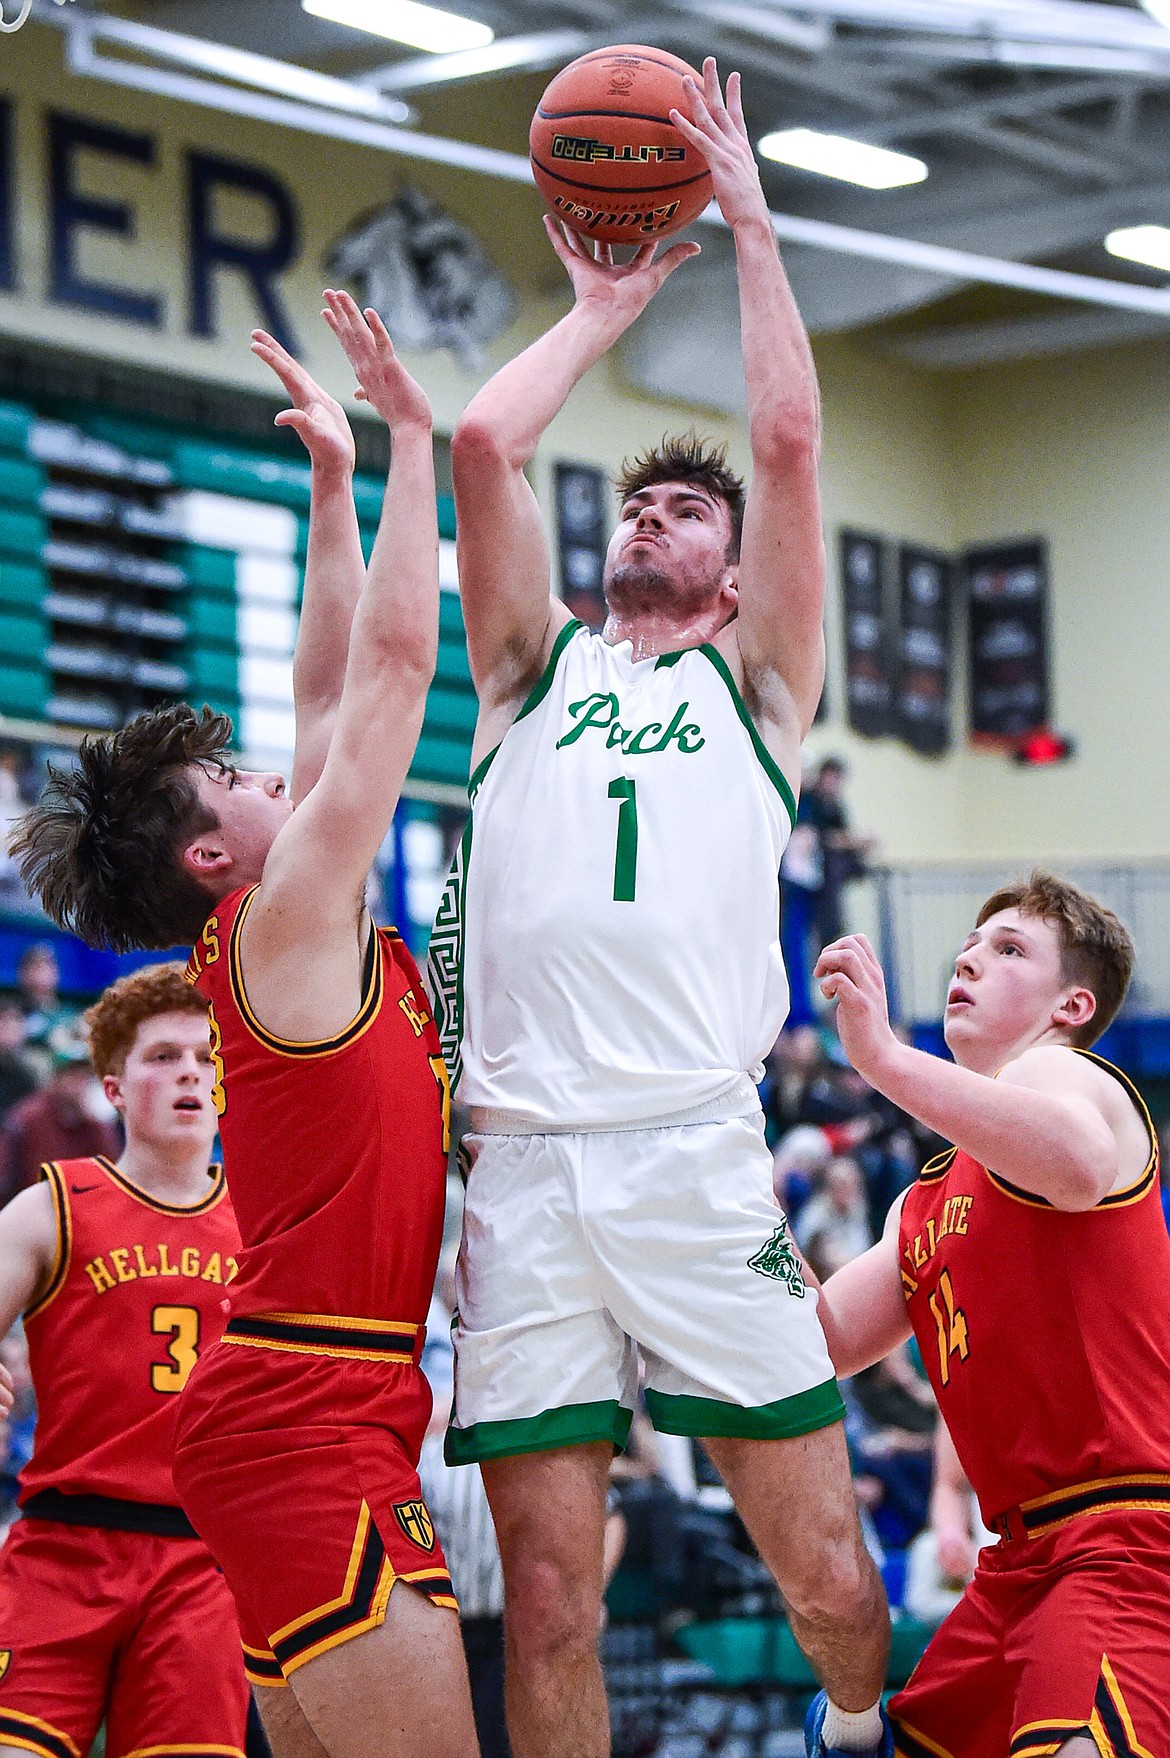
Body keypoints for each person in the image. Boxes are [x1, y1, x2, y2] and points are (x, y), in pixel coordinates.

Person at [431, 57, 890, 1758]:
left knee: (829, 1570)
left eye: (686, 508)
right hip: (528, 1161)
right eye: (636, 497)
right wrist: (601, 305)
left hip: (697, 1151)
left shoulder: (762, 691)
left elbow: (784, 433)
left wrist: (750, 220)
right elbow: (484, 438)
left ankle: (856, 1734)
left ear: (733, 556)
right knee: (548, 1599)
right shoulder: (527, 668)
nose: (651, 511)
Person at [11, 297, 478, 1758]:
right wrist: (418, 438)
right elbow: (395, 679)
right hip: (303, 1410)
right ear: (211, 855)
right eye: (236, 780)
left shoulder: (289, 917)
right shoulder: (283, 921)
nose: (274, 773)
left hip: (330, 1404)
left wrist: (335, 485)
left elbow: (330, 682)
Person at [809, 871, 1170, 1757]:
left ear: (1073, 1003)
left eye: (1010, 950)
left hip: (1128, 1539)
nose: (970, 957)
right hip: (1013, 1565)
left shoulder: (1067, 1073)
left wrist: (885, 1060)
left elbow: (1079, 1163)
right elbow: (820, 1343)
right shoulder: (924, 1200)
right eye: (970, 946)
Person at [0, 962, 248, 1758]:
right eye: (162, 1056)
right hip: (62, 1548)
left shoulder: (267, 1226)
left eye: (206, 1058)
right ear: (112, 1088)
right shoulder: (53, 1205)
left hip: (204, 1565)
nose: (189, 1074)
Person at [0, 1029, 120, 1206]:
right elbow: (5, 1175)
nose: (79, 1083)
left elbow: (113, 1173)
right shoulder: (28, 1117)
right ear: (56, 1078)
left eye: (85, 1076)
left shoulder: (95, 1122)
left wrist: (95, 1123)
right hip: (32, 1211)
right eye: (72, 1075)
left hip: (81, 1212)